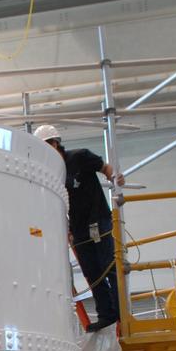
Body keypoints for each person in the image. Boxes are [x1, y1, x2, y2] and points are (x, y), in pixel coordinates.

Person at [35, 124, 124, 333]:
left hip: (98, 221)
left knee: (108, 267)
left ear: (55, 143)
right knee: (91, 272)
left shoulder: (80, 158)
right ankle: (106, 314)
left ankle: (121, 312)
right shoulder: (51, 172)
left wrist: (115, 177)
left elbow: (105, 168)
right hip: (78, 229)